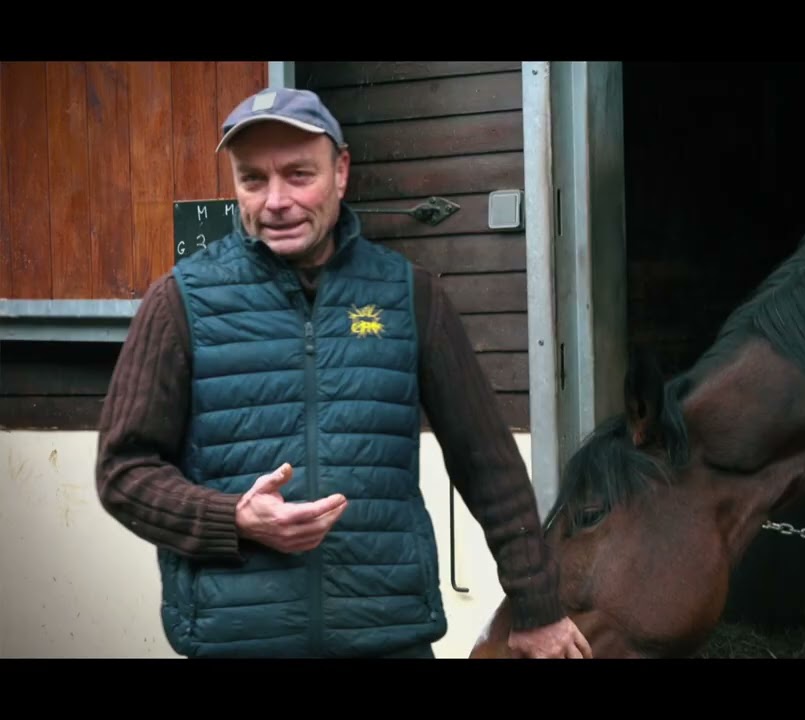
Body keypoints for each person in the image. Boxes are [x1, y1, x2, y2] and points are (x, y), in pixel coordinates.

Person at [95, 87, 590, 659]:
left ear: (341, 171)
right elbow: (122, 471)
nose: (275, 200)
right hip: (239, 642)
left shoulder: (410, 296)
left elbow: (490, 467)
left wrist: (538, 609)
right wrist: (233, 518)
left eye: (299, 174)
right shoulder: (181, 301)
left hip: (387, 637)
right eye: (253, 179)